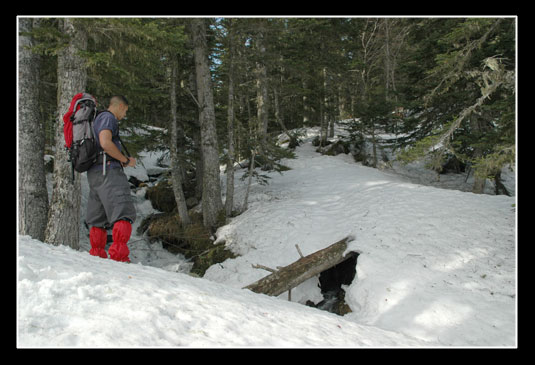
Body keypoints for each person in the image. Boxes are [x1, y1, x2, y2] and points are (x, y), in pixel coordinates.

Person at [86, 95, 137, 262]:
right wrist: (124, 160)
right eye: (125, 111)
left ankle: (97, 254)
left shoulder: (95, 120)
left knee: (97, 218)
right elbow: (106, 143)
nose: (124, 115)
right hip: (109, 171)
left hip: (95, 173)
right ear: (120, 106)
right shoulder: (108, 118)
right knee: (123, 212)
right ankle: (119, 257)